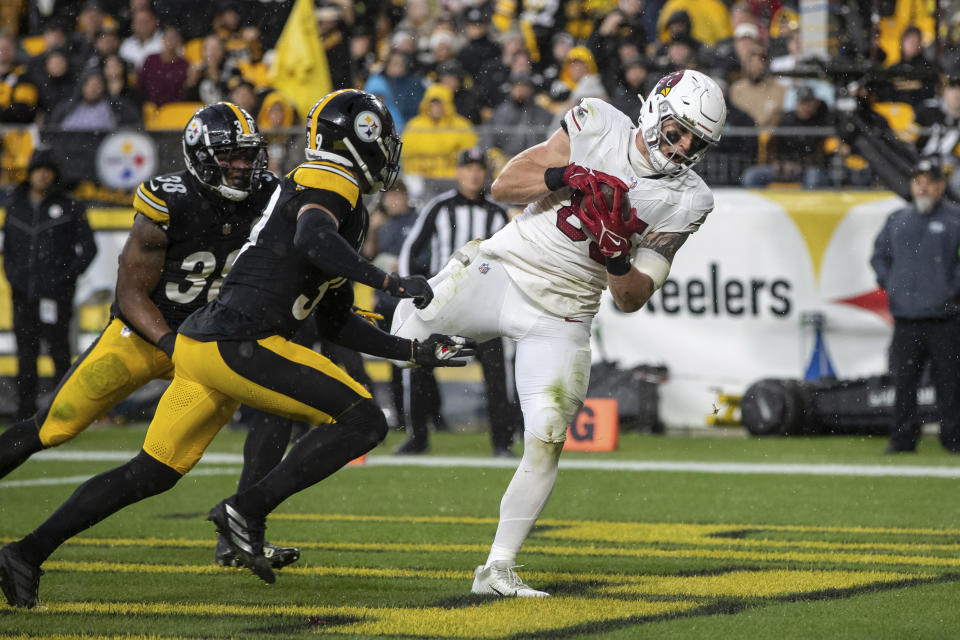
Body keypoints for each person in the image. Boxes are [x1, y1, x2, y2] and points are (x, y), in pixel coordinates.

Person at [0, 89, 475, 608]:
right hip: (231, 339)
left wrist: (413, 350)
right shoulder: (328, 178)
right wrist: (389, 282)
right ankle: (245, 512)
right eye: (382, 139)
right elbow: (313, 238)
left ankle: (25, 553)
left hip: (210, 344)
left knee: (152, 471)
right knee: (365, 421)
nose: (389, 150)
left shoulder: (328, 203)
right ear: (358, 141)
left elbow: (336, 322)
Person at [392, 69, 726, 596]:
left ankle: (497, 570)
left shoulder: (691, 199)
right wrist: (569, 177)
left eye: (695, 141)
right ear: (656, 109)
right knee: (401, 346)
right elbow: (504, 186)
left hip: (566, 311)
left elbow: (632, 298)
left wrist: (616, 256)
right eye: (679, 130)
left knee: (547, 436)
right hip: (504, 269)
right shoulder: (597, 121)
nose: (683, 147)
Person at [0, 101, 299, 565]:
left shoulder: (272, 196)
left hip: (210, 346)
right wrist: (170, 345)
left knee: (183, 457)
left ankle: (241, 534)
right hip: (144, 336)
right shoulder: (169, 197)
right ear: (200, 155)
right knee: (54, 427)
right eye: (230, 156)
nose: (243, 165)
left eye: (248, 154)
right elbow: (131, 295)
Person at [393, 147, 520, 456]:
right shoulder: (439, 208)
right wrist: (415, 295)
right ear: (459, 172)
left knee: (496, 372)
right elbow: (412, 250)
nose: (474, 174)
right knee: (419, 365)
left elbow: (511, 258)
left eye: (479, 168)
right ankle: (418, 436)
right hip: (443, 309)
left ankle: (501, 442)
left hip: (481, 311)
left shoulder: (497, 213)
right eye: (469, 168)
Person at [870, 157, 960, 454]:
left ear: (939, 186)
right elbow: (879, 256)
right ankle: (902, 438)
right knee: (904, 382)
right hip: (906, 317)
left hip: (944, 318)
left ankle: (953, 438)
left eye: (928, 182)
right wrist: (891, 282)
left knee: (950, 384)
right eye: (917, 181)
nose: (922, 187)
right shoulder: (898, 219)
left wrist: (951, 290)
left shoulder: (954, 220)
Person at [1, 149, 97, 421]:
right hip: (23, 295)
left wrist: (64, 280)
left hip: (57, 296)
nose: (43, 175)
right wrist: (15, 278)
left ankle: (62, 413)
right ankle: (24, 413)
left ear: (54, 175)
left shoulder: (69, 206)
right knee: (26, 355)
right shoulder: (16, 205)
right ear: (30, 173)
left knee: (59, 352)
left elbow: (89, 249)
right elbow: (8, 250)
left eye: (48, 170)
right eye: (38, 169)